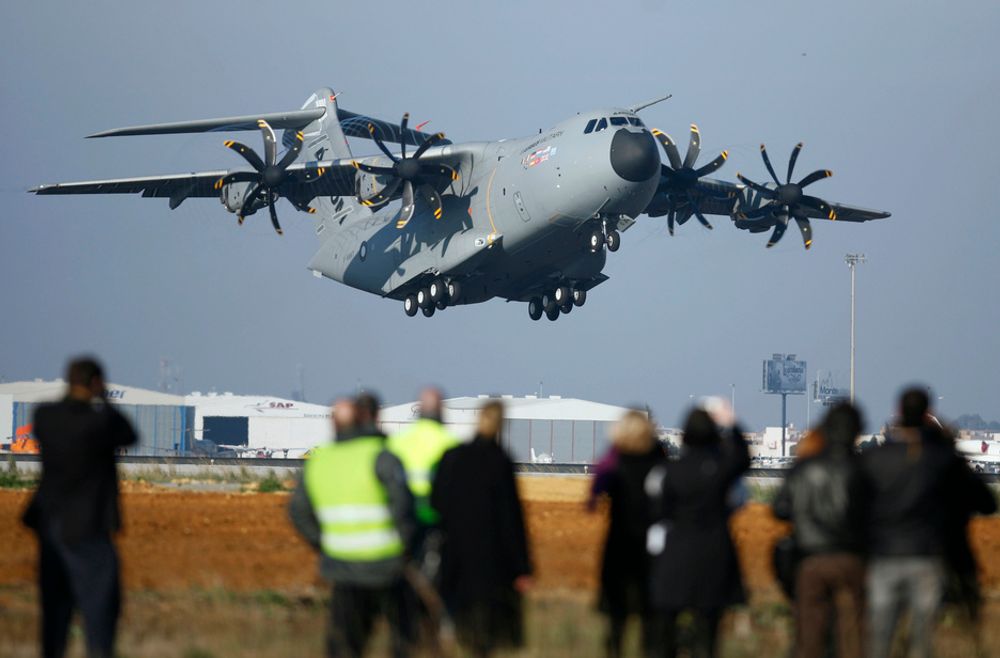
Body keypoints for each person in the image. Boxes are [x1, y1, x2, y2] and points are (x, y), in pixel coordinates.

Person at [862, 387, 996, 658]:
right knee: (922, 640)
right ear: (927, 415)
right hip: (927, 556)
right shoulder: (943, 458)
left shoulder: (875, 458)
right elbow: (986, 503)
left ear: (898, 414)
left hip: (883, 556)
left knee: (879, 634)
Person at [21, 357, 137, 658]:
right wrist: (106, 400)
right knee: (100, 605)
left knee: (54, 609)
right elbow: (129, 434)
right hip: (89, 525)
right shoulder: (100, 422)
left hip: (50, 524)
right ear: (96, 383)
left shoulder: (45, 416)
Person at [288, 395, 416, 658]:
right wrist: (406, 545)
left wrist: (323, 543)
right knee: (404, 640)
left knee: (345, 645)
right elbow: (404, 508)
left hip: (343, 569)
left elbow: (297, 511)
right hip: (386, 567)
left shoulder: (320, 462)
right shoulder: (382, 457)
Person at [645, 401, 750, 658]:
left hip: (675, 553)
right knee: (709, 630)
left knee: (665, 628)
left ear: (684, 435)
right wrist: (732, 423)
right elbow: (742, 458)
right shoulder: (721, 469)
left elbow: (658, 511)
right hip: (715, 551)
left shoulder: (668, 471)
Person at [431, 400, 533, 657]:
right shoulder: (500, 461)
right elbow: (511, 518)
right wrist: (522, 566)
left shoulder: (452, 456)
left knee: (456, 620)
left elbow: (437, 503)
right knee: (486, 632)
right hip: (491, 560)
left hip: (455, 554)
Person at [773, 403, 868, 658]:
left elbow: (780, 507)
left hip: (811, 558)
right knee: (854, 636)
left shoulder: (804, 468)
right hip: (853, 559)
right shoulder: (865, 469)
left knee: (809, 634)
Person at [588, 410, 666, 658]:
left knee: (616, 616)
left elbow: (595, 491)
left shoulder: (615, 457)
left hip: (619, 542)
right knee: (650, 614)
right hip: (651, 546)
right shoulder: (659, 457)